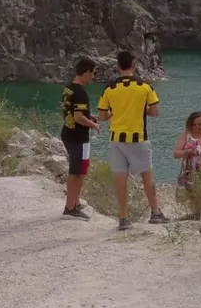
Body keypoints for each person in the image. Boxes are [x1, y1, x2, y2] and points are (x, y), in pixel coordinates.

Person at [96, 50, 169, 230]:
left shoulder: (109, 88)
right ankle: (155, 213)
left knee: (121, 179)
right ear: (134, 65)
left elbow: (102, 116)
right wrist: (139, 110)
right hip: (138, 138)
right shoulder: (145, 86)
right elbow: (155, 112)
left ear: (117, 66)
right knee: (147, 177)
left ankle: (123, 218)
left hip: (116, 139)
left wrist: (116, 112)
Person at [59, 57, 100, 220]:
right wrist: (93, 125)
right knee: (76, 171)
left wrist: (91, 117)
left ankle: (75, 202)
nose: (94, 76)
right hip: (78, 137)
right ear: (86, 73)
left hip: (68, 134)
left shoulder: (68, 88)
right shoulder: (81, 92)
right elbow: (78, 117)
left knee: (82, 169)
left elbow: (74, 112)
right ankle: (70, 208)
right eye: (94, 73)